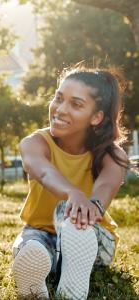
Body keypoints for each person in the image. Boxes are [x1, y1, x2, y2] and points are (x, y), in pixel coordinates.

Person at [12, 66, 129, 299]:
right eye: (58, 98)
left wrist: (84, 203)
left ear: (96, 117)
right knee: (31, 246)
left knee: (70, 211)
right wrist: (72, 191)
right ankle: (44, 268)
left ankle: (71, 266)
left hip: (90, 233)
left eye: (76, 104)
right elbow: (43, 172)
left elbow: (103, 192)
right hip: (41, 230)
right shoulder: (35, 143)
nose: (60, 109)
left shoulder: (112, 156)